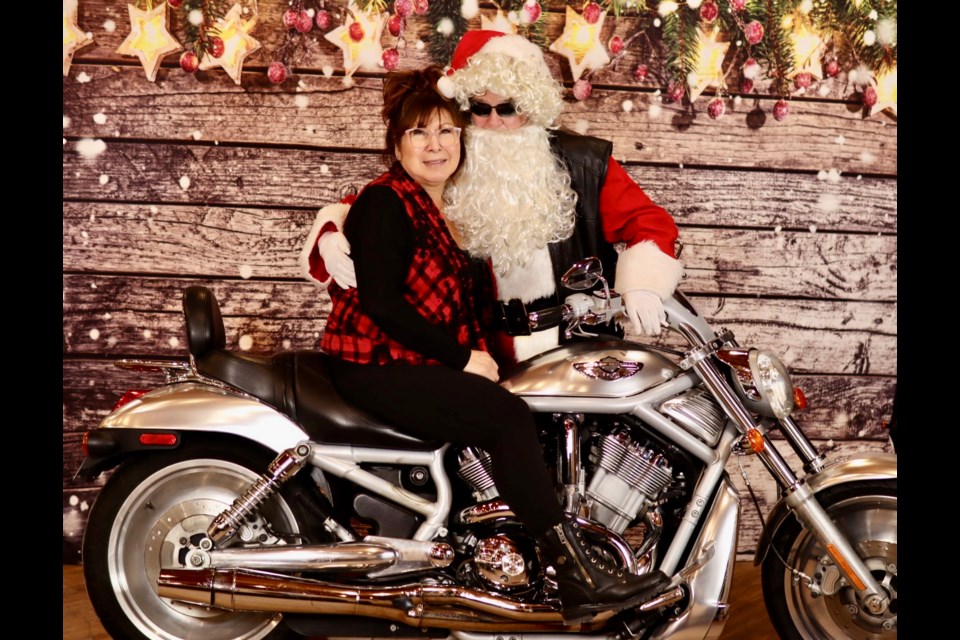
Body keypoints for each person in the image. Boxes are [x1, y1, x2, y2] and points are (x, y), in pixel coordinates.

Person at [318, 65, 668, 623]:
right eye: (418, 133)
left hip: (417, 361)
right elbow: (384, 305)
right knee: (506, 418)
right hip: (376, 366)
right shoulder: (385, 203)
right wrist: (463, 358)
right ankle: (576, 576)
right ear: (397, 142)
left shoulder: (440, 205)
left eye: (446, 131)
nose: (435, 145)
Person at [301, 30, 684, 367]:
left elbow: (647, 222)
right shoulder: (452, 159)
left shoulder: (583, 161)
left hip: (576, 344)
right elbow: (387, 205)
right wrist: (332, 232)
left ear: (530, 105)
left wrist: (644, 283)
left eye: (508, 108)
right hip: (484, 348)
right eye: (480, 109)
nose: (493, 121)